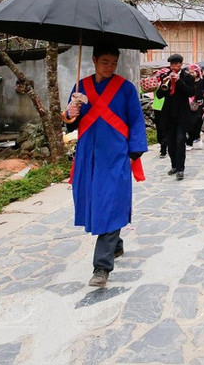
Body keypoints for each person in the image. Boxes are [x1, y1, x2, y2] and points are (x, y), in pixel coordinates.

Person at [64, 41, 147, 288]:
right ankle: (116, 243)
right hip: (88, 156)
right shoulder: (81, 87)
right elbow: (70, 124)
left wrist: (134, 153)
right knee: (97, 202)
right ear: (94, 60)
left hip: (116, 157)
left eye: (114, 63)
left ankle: (101, 266)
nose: (110, 67)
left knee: (111, 202)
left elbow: (136, 121)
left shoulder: (126, 89)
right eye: (105, 62)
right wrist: (71, 110)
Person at [156, 53, 195, 180]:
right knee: (171, 142)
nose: (174, 67)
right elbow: (159, 95)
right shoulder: (165, 76)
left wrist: (179, 81)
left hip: (182, 115)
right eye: (172, 64)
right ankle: (174, 165)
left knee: (180, 141)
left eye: (176, 64)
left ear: (180, 65)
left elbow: (190, 92)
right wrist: (165, 84)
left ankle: (180, 169)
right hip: (168, 115)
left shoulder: (187, 77)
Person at [185, 63, 204, 150]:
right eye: (190, 72)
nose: (191, 74)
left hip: (199, 105)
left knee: (196, 123)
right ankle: (192, 141)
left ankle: (194, 139)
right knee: (189, 124)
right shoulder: (187, 81)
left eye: (193, 72)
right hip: (188, 104)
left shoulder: (202, 81)